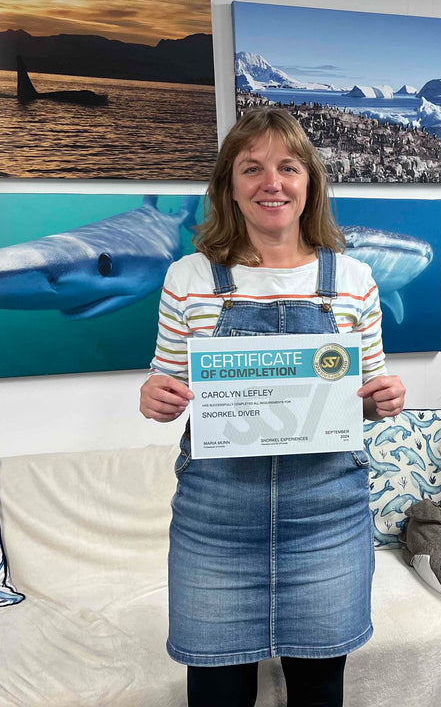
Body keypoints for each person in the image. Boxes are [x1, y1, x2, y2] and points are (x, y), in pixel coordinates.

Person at [139, 107, 406, 707]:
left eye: (288, 167)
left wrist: (382, 399)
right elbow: (167, 383)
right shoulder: (189, 278)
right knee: (214, 690)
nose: (272, 183)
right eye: (252, 168)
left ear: (309, 182)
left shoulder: (355, 280)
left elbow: (363, 396)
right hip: (217, 523)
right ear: (229, 185)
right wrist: (154, 396)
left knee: (318, 691)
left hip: (327, 518)